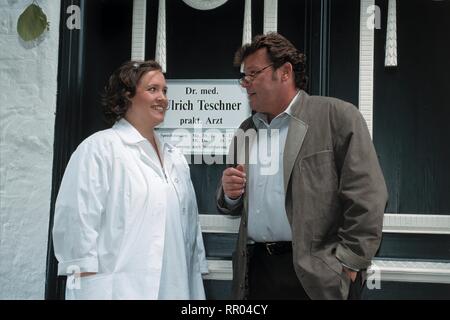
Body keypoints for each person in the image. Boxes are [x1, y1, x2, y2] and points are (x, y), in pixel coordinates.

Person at [216, 33, 388, 300]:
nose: (245, 84)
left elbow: (368, 196)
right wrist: (230, 193)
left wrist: (349, 263)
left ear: (285, 72)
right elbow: (231, 204)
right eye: (244, 77)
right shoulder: (245, 130)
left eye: (253, 74)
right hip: (257, 271)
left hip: (318, 275)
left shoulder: (337, 117)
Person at [53, 60, 208, 300]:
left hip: (175, 286)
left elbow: (190, 229)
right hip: (118, 290)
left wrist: (195, 276)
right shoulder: (99, 149)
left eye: (165, 90)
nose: (163, 98)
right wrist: (82, 286)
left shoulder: (175, 157)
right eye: (153, 89)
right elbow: (76, 224)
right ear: (127, 96)